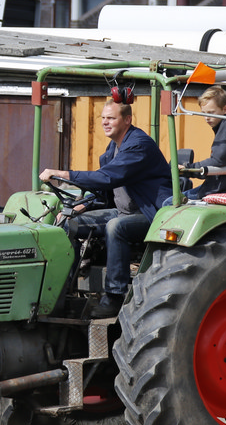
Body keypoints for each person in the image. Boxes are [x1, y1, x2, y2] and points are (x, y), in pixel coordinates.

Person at [39, 98, 171, 318]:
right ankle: (63, 291)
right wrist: (82, 205)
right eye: (103, 118)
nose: (105, 122)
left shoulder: (138, 145)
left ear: (127, 120)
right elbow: (105, 190)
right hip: (122, 211)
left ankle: (114, 296)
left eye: (111, 118)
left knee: (115, 227)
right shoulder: (113, 148)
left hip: (150, 214)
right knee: (68, 223)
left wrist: (63, 174)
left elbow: (107, 177)